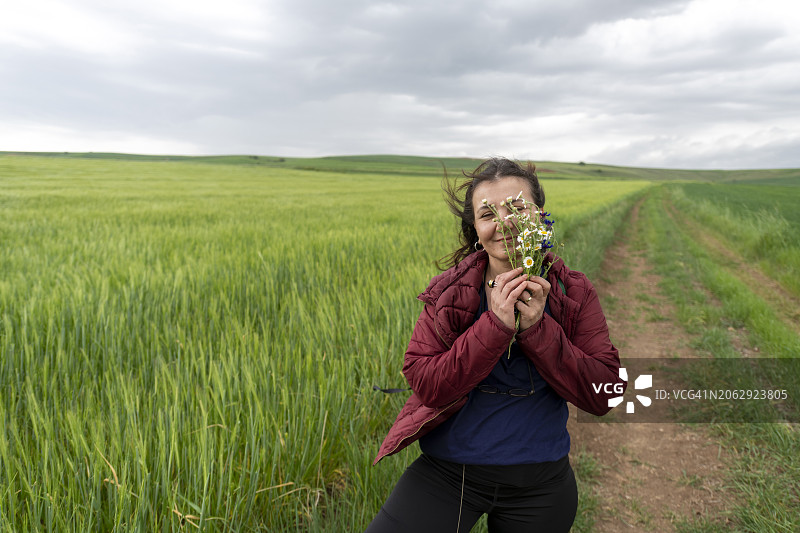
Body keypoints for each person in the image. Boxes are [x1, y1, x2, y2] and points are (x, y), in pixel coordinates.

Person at [365, 158, 625, 533]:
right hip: (448, 474)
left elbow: (607, 393)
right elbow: (427, 385)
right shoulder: (449, 292)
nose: (504, 222)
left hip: (540, 484)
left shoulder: (574, 291)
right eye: (488, 213)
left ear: (539, 215)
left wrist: (537, 327)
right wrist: (496, 325)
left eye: (517, 208)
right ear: (475, 229)